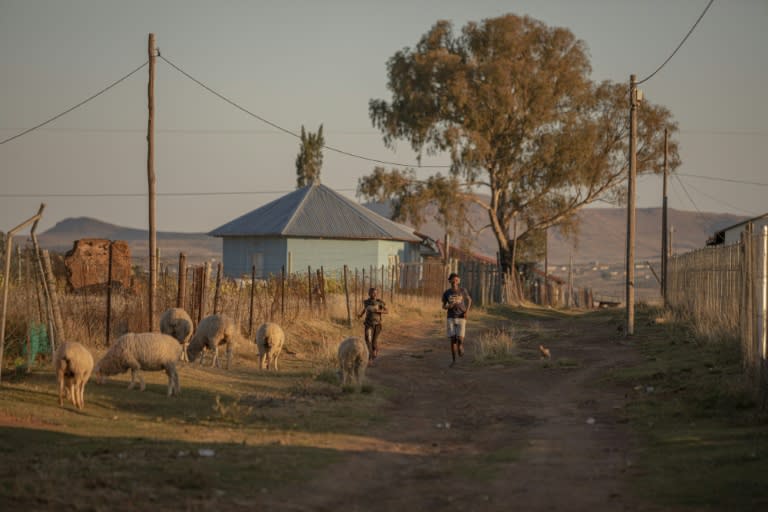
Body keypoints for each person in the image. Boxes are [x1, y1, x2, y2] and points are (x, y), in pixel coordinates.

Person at [442, 272, 472, 367]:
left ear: (459, 281)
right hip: (451, 317)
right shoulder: (447, 293)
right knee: (453, 339)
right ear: (450, 281)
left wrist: (466, 311)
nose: (455, 281)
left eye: (456, 280)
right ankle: (454, 360)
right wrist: (448, 306)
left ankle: (460, 346)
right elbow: (443, 306)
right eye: (453, 280)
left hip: (461, 316)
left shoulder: (463, 290)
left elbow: (469, 300)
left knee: (460, 338)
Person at [357, 287, 388, 364]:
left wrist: (378, 310)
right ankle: (369, 358)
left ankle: (374, 351)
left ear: (377, 294)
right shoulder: (366, 302)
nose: (373, 294)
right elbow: (365, 309)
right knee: (368, 340)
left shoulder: (379, 302)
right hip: (368, 324)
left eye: (375, 293)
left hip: (377, 325)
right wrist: (360, 315)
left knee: (374, 341)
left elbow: (387, 311)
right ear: (369, 293)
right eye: (372, 293)